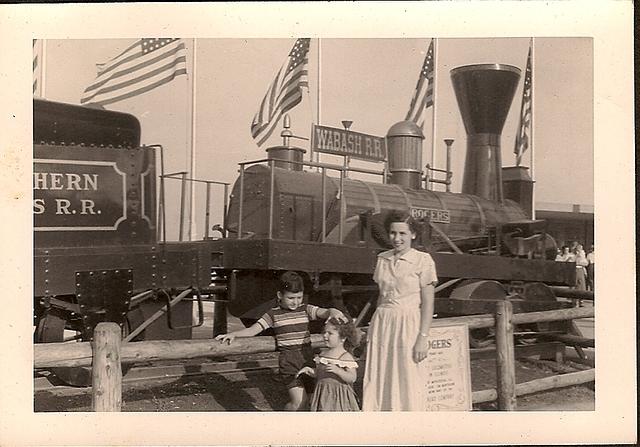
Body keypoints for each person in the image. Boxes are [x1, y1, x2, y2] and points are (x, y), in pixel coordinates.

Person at [215, 271, 348, 411]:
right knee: (299, 403)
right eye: (291, 298)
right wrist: (233, 334)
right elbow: (252, 330)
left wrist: (333, 311)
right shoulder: (273, 314)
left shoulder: (305, 309)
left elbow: (324, 312)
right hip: (289, 364)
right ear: (280, 295)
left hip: (308, 360)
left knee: (313, 401)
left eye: (299, 297)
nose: (296, 302)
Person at [362, 210, 438, 411]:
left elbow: (428, 303)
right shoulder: (382, 259)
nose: (397, 238)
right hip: (383, 322)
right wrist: (373, 326)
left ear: (413, 234)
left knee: (407, 373)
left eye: (403, 233)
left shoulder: (423, 260)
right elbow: (381, 296)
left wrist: (423, 337)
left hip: (409, 323)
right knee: (381, 372)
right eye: (393, 233)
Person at [297, 317, 362, 411]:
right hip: (322, 392)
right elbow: (321, 373)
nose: (325, 336)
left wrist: (338, 371)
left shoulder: (345, 357)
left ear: (343, 338)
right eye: (324, 332)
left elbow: (352, 378)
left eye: (330, 333)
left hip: (338, 396)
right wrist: (310, 371)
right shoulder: (323, 354)